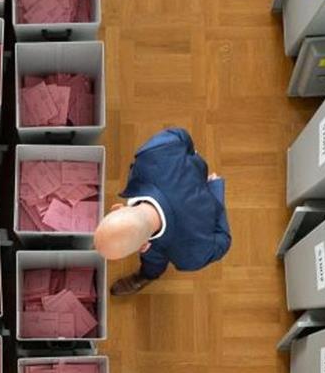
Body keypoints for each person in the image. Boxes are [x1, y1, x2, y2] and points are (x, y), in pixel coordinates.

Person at [93, 127, 231, 296]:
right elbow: (179, 135)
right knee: (153, 264)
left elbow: (224, 241)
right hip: (194, 184)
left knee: (153, 263)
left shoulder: (190, 252)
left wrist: (216, 194)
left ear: (144, 246)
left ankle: (147, 275)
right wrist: (192, 155)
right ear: (116, 208)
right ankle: (147, 275)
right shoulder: (151, 155)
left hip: (203, 202)